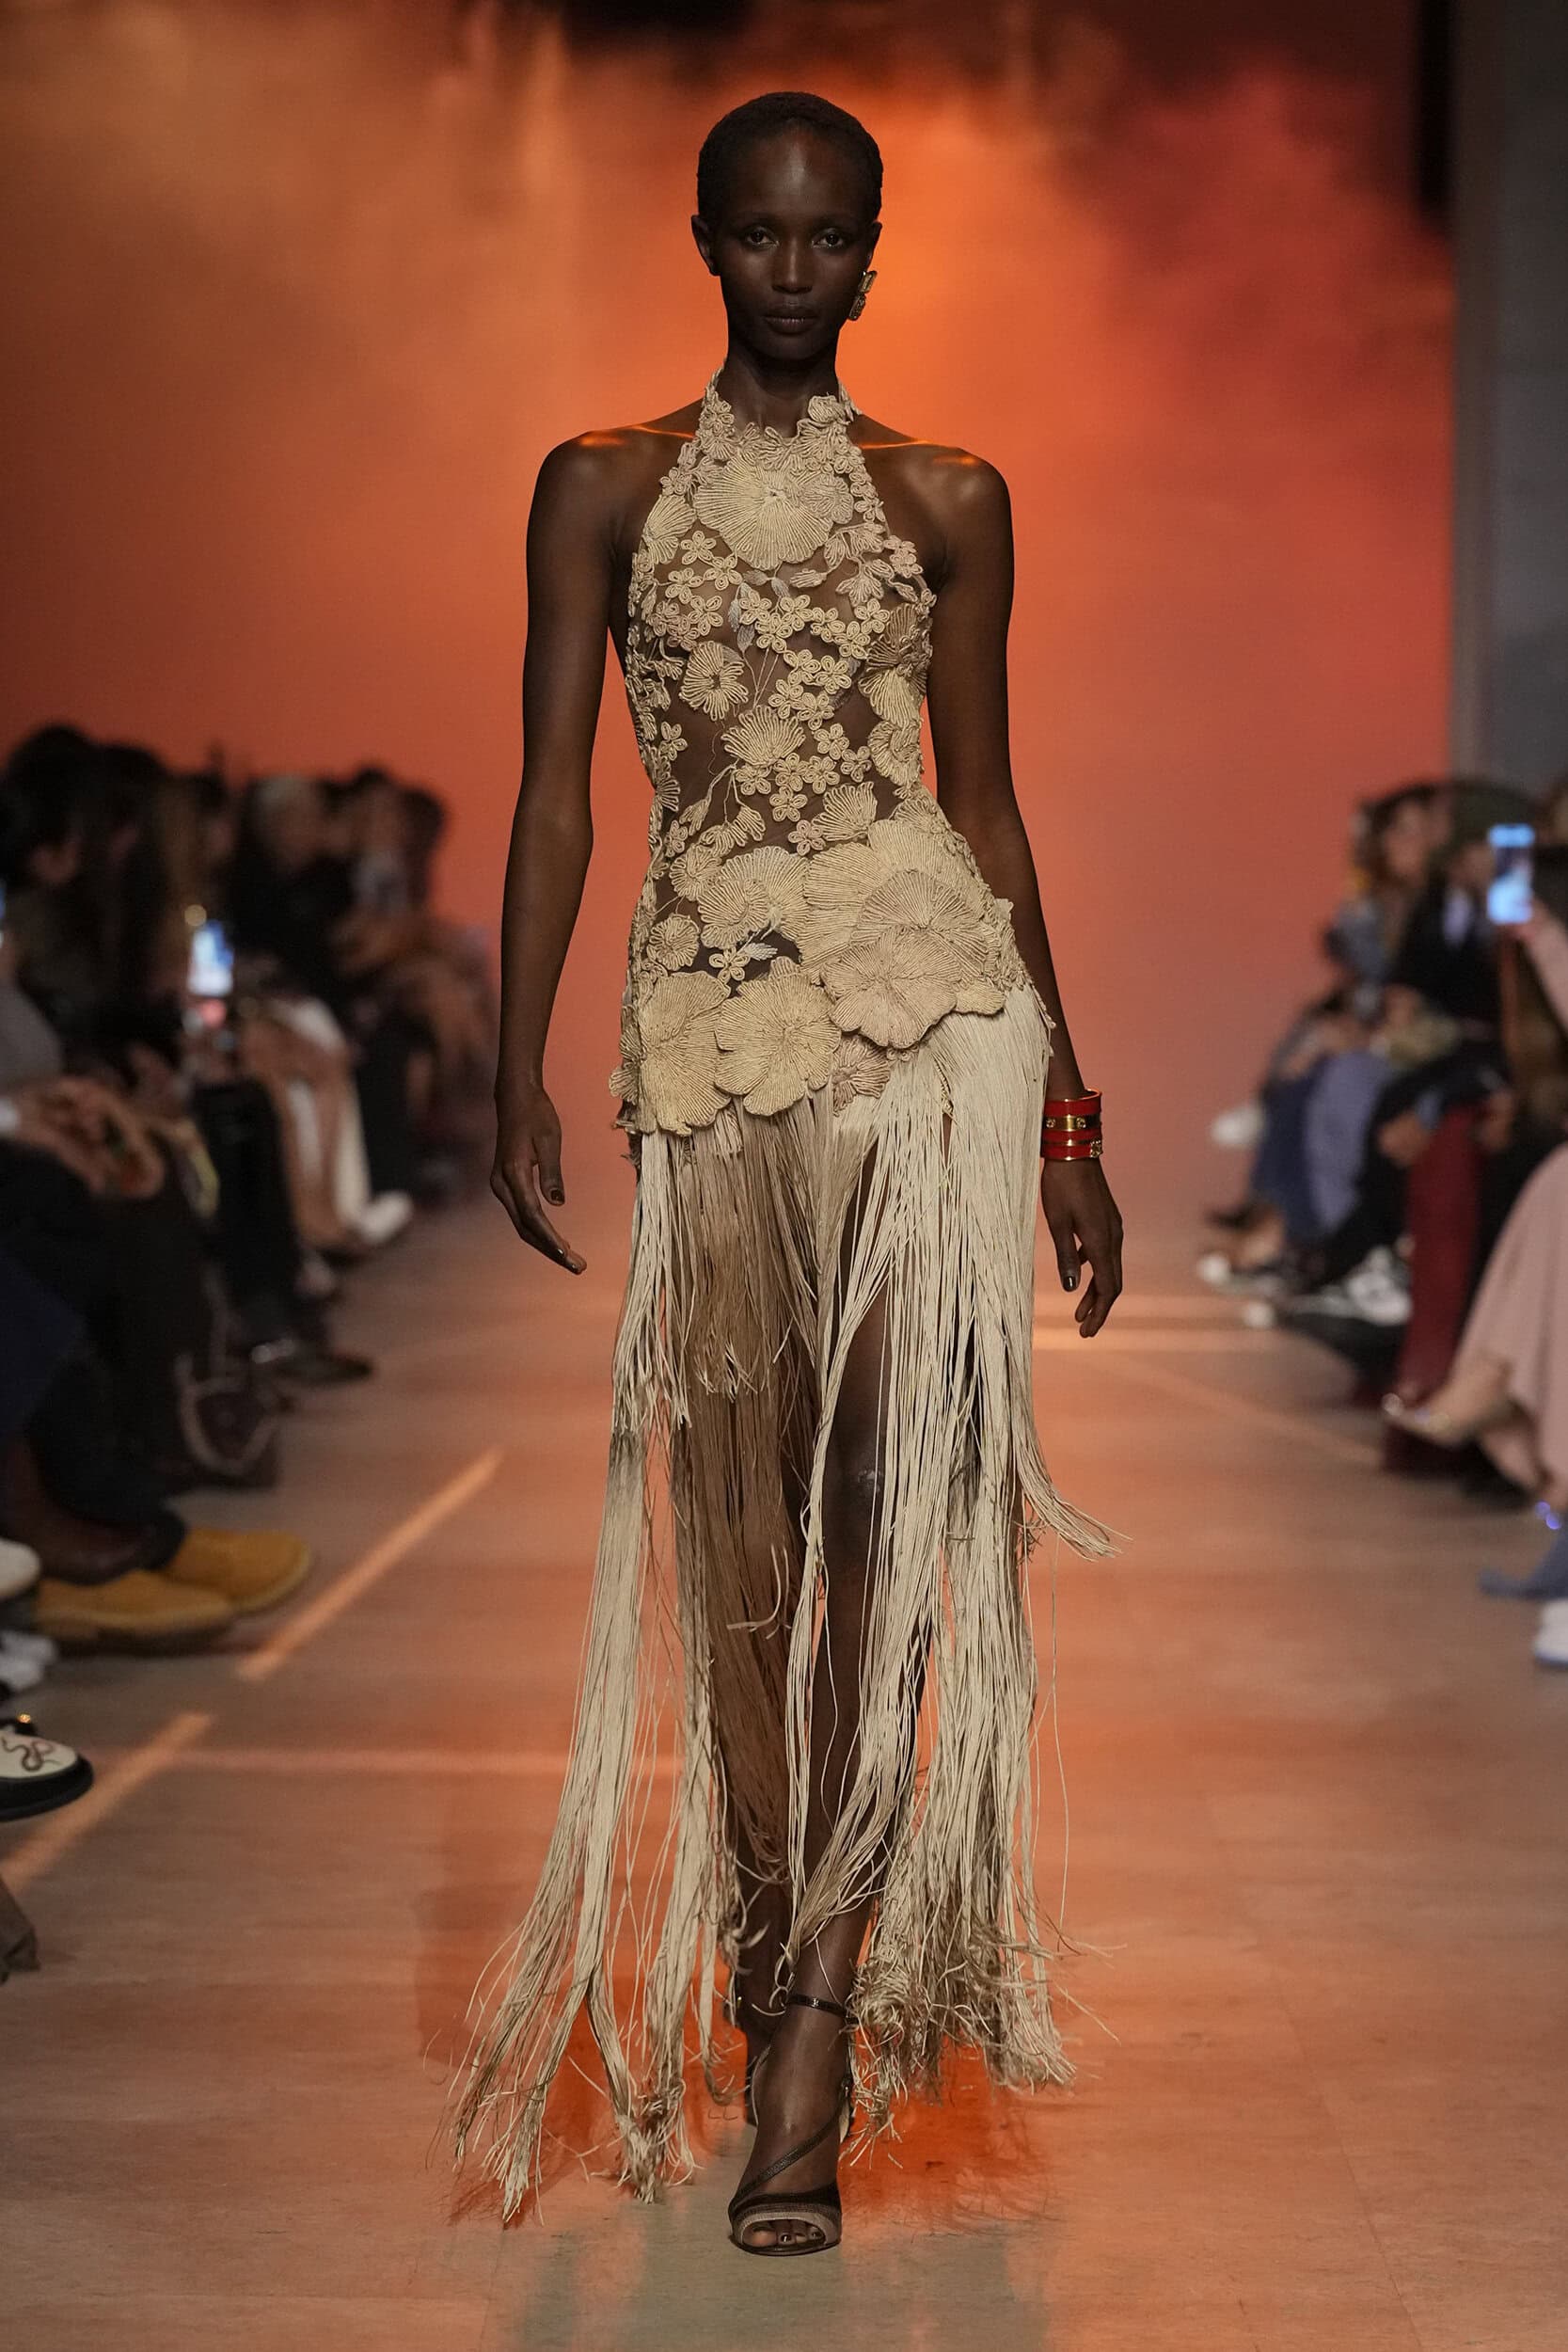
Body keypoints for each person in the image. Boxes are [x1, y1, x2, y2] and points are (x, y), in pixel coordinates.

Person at [448, 89, 1123, 2256]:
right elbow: (555, 792)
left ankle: (816, 2018)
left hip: (928, 1040)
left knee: (882, 1518)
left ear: (878, 247)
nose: (799, 271)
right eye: (763, 233)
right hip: (713, 1043)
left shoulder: (951, 496)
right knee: (736, 1537)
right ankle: (766, 1915)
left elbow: (985, 810)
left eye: (833, 237)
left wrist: (1070, 1115)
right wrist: (513, 1056)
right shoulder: (597, 484)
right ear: (706, 237)